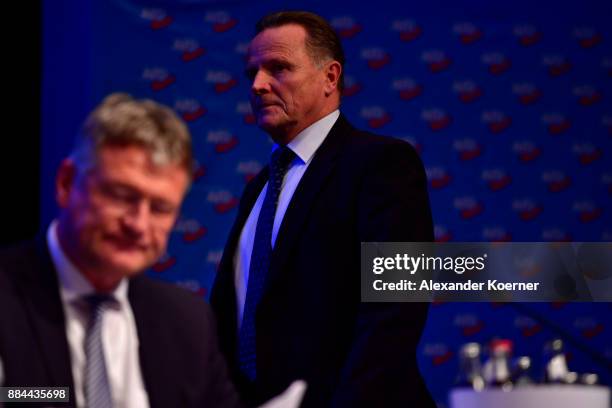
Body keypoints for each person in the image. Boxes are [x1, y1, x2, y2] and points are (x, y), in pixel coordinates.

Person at [210, 11, 436, 407]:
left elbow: (394, 313)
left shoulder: (382, 164)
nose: (259, 85)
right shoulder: (258, 188)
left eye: (278, 68)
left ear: (330, 77)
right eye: (252, 73)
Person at [0, 93, 241, 408]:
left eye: (160, 208)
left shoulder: (188, 324)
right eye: (122, 196)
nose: (138, 225)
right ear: (66, 183)